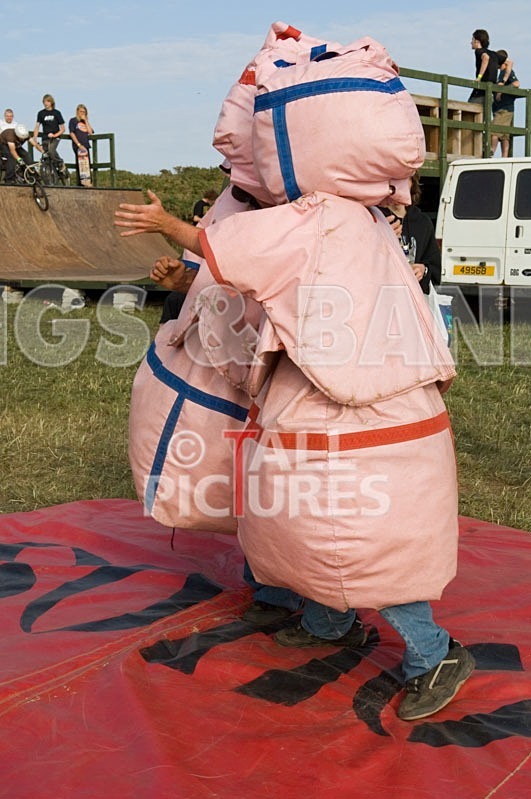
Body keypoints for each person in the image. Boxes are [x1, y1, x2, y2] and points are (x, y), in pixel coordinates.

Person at [115, 190, 475, 722]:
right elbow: (275, 294)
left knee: (363, 539)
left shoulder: (328, 218)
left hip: (359, 405)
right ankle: (331, 623)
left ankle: (437, 655)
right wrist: (192, 284)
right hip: (333, 392)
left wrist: (172, 226)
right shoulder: (348, 221)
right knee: (315, 521)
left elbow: (255, 261)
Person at [380, 172, 441, 294]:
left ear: (412, 183)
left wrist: (423, 270)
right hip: (383, 298)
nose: (399, 186)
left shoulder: (423, 222)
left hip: (414, 300)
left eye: (404, 179)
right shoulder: (374, 218)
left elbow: (436, 270)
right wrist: (380, 238)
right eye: (394, 180)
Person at [491, 51, 520, 157]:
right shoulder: (502, 73)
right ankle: (504, 156)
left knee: (493, 130)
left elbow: (516, 84)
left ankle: (491, 151)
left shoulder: (506, 72)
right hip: (501, 108)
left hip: (505, 108)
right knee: (504, 135)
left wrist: (502, 91)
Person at [468, 29, 505, 102]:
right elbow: (510, 62)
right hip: (491, 90)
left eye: (472, 39)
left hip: (481, 90)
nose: (471, 42)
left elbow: (486, 58)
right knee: (484, 112)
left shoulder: (478, 51)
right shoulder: (493, 54)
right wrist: (503, 81)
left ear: (477, 41)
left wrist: (479, 77)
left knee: (467, 110)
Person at [33, 94, 65, 165]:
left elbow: (63, 129)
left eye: (48, 101)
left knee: (51, 151)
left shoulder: (57, 113)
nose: (46, 103)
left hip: (55, 137)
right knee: (46, 156)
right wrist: (35, 138)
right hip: (45, 137)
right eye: (44, 101)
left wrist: (55, 135)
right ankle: (51, 174)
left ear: (51, 102)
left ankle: (60, 163)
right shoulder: (41, 113)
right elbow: (37, 126)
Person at [68, 104, 94, 186]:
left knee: (87, 164)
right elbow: (72, 133)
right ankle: (81, 183)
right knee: (80, 164)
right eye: (81, 111)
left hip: (86, 145)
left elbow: (90, 132)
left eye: (84, 112)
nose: (82, 113)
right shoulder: (73, 121)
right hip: (78, 145)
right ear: (77, 112)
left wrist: (86, 121)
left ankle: (88, 182)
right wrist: (78, 144)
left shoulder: (85, 122)